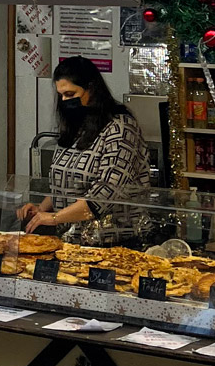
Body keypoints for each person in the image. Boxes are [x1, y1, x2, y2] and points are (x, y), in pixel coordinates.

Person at [17, 56, 150, 247]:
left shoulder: (121, 128)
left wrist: (53, 218)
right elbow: (66, 182)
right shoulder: (77, 125)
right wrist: (40, 210)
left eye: (70, 94)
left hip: (114, 242)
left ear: (92, 88)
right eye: (61, 95)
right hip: (72, 240)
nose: (65, 101)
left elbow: (104, 195)